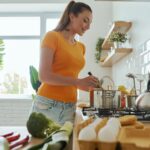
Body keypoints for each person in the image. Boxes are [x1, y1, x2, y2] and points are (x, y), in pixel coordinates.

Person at [30, 1, 99, 125]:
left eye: (90, 23)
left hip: (70, 107)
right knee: (42, 144)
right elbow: (44, 76)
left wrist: (85, 84)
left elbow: (71, 79)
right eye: (85, 20)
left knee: (65, 144)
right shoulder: (52, 37)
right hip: (47, 105)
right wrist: (77, 82)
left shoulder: (81, 47)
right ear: (72, 16)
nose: (88, 27)